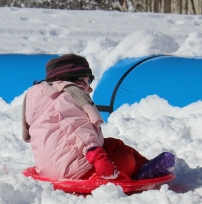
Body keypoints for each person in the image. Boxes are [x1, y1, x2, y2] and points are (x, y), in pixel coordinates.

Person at [22, 54, 175, 181]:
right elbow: (78, 129)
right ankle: (139, 172)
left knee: (113, 144)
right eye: (88, 81)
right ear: (76, 78)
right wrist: (98, 158)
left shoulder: (42, 98)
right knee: (127, 161)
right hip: (75, 172)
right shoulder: (68, 96)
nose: (90, 87)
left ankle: (145, 166)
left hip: (50, 168)